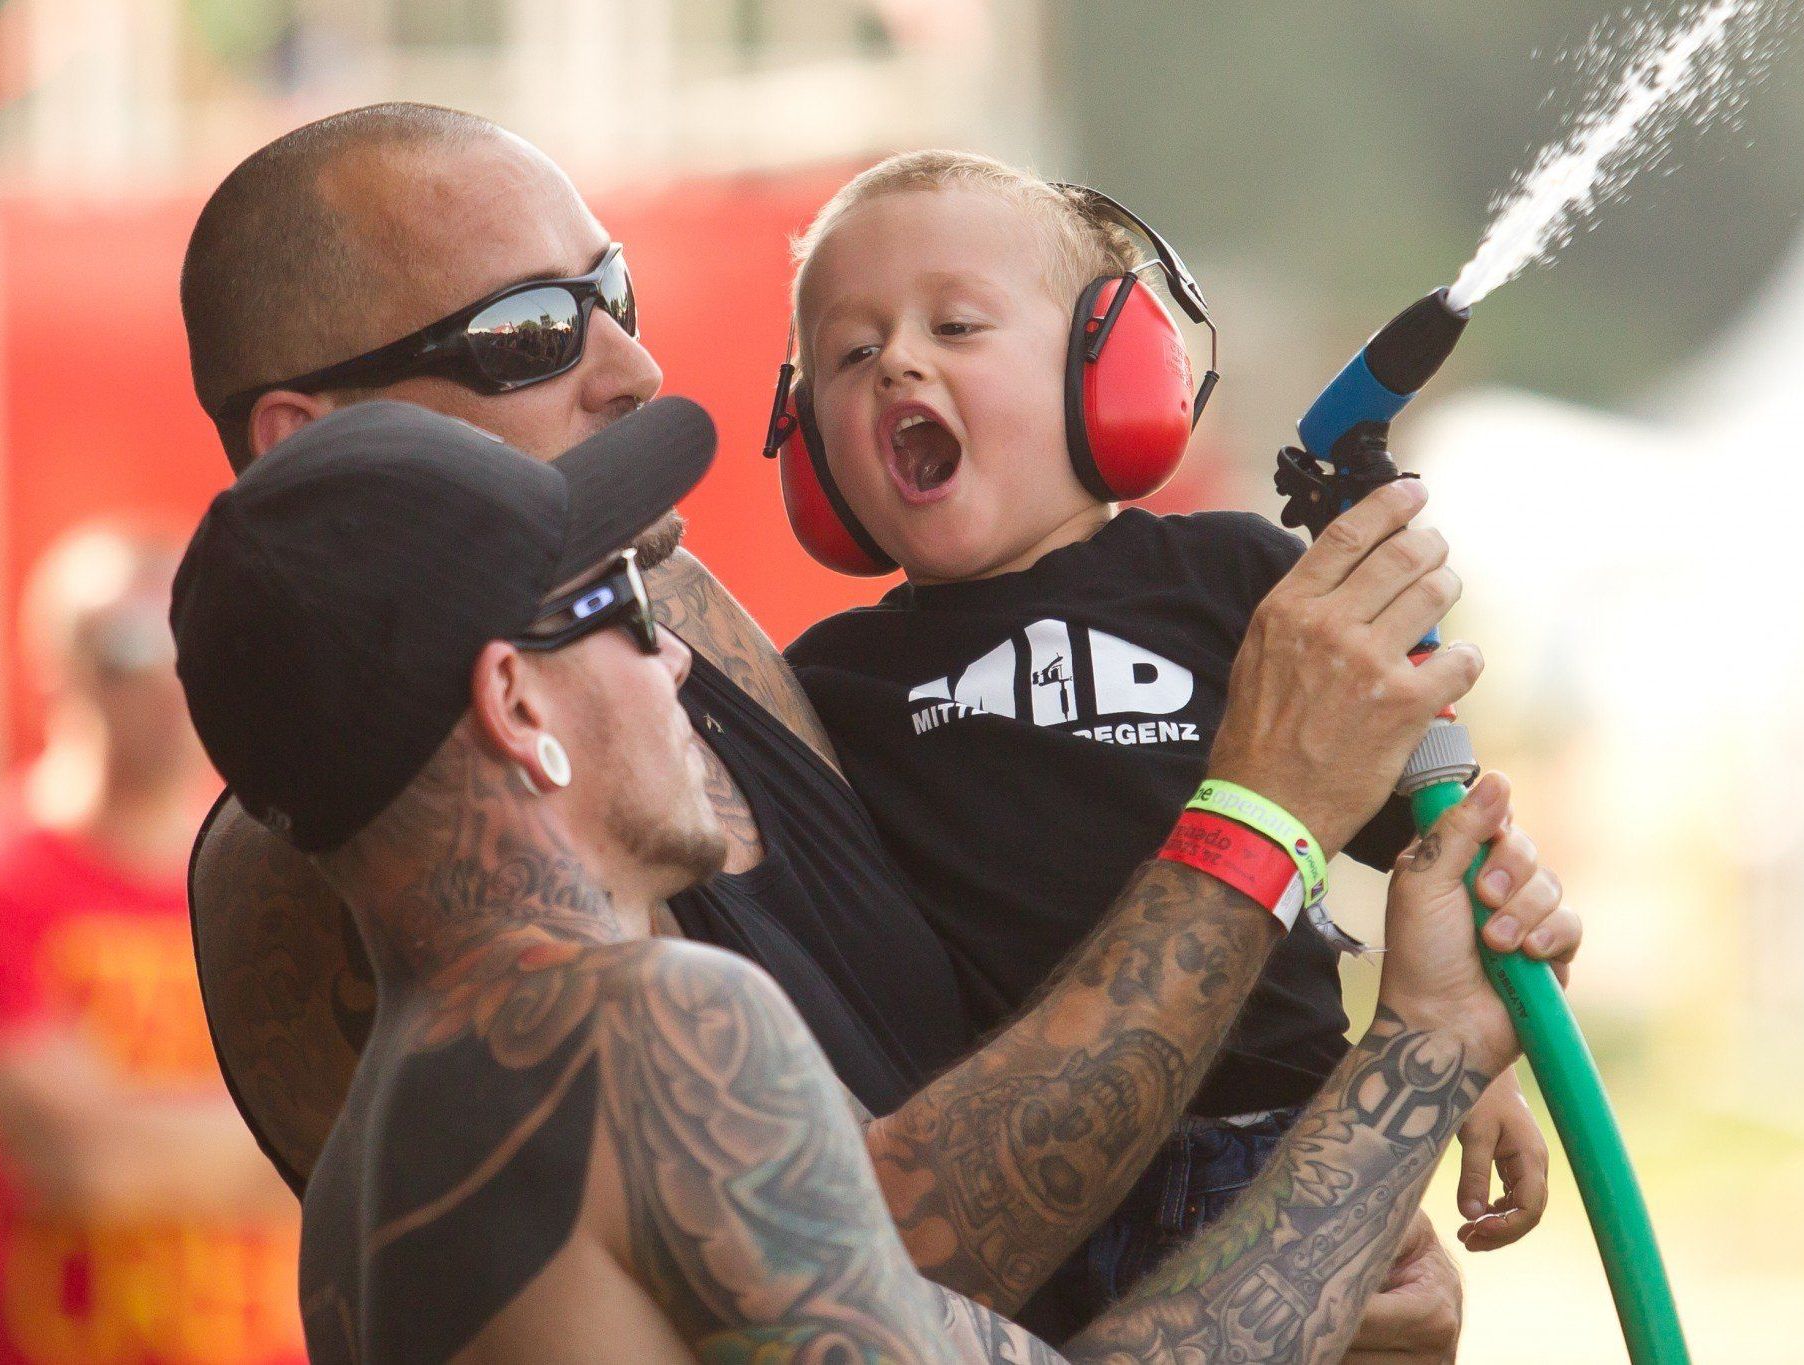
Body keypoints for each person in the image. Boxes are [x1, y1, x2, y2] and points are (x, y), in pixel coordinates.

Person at [177, 102, 1565, 1347]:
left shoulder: (679, 618)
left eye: (618, 295)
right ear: (306, 440)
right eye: (530, 333)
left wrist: (1316, 1223)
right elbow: (861, 1253)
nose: (638, 371)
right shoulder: (320, 871)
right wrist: (1268, 813)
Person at [779, 150, 1550, 1318]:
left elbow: (1433, 837)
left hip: (1273, 1151)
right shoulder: (824, 686)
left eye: (956, 324)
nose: (895, 359)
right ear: (808, 441)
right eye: (846, 353)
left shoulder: (1237, 579)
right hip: (1016, 1201)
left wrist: (1469, 1060)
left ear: (1111, 371)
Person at [0, 524, 302, 1364]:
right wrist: (308, 1145)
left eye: (187, 645)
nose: (167, 682)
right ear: (59, 668)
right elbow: (85, 1159)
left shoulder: (293, 884)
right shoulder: (0, 884)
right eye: (131, 648)